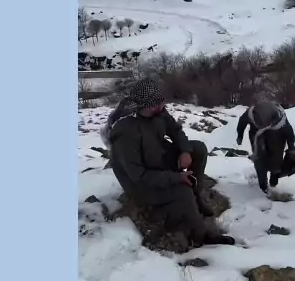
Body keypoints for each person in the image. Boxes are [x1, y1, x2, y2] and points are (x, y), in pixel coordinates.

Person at [101, 78, 235, 248]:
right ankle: (201, 235)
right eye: (157, 103)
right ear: (144, 106)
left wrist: (185, 151)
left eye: (161, 101)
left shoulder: (157, 111)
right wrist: (176, 178)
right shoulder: (126, 132)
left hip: (157, 158)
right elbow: (138, 176)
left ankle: (195, 195)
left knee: (198, 149)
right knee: (182, 189)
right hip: (141, 185)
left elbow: (175, 130)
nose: (162, 105)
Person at [236, 100, 295, 193]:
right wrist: (240, 135)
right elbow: (242, 122)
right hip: (257, 136)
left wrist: (291, 147)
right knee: (259, 160)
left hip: (276, 136)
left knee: (276, 160)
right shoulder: (251, 113)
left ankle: (273, 181)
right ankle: (263, 186)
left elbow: (289, 133)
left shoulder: (281, 120)